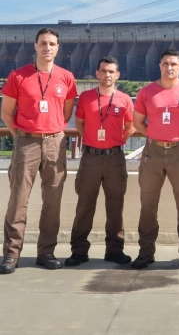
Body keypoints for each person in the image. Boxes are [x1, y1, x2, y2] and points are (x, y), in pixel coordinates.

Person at [0, 28, 77, 275]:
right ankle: (11, 255)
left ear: (57, 48)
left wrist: (52, 132)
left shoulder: (66, 77)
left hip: (55, 143)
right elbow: (6, 113)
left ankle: (46, 252)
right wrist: (20, 136)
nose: (48, 48)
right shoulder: (18, 76)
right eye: (43, 43)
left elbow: (66, 113)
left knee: (52, 202)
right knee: (18, 201)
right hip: (26, 143)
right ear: (35, 46)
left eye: (52, 44)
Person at [132, 49, 179, 269]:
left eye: (174, 64)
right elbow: (138, 123)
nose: (169, 67)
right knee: (148, 205)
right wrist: (156, 136)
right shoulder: (146, 92)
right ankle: (146, 252)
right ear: (160, 65)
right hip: (152, 153)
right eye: (166, 63)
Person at [64, 57, 135, 267]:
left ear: (117, 75)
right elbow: (79, 122)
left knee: (115, 206)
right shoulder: (86, 97)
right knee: (84, 205)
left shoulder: (124, 99)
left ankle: (114, 250)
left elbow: (131, 125)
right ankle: (78, 251)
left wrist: (118, 140)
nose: (107, 75)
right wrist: (91, 139)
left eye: (111, 71)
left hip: (115, 158)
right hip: (90, 158)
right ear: (97, 74)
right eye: (103, 71)